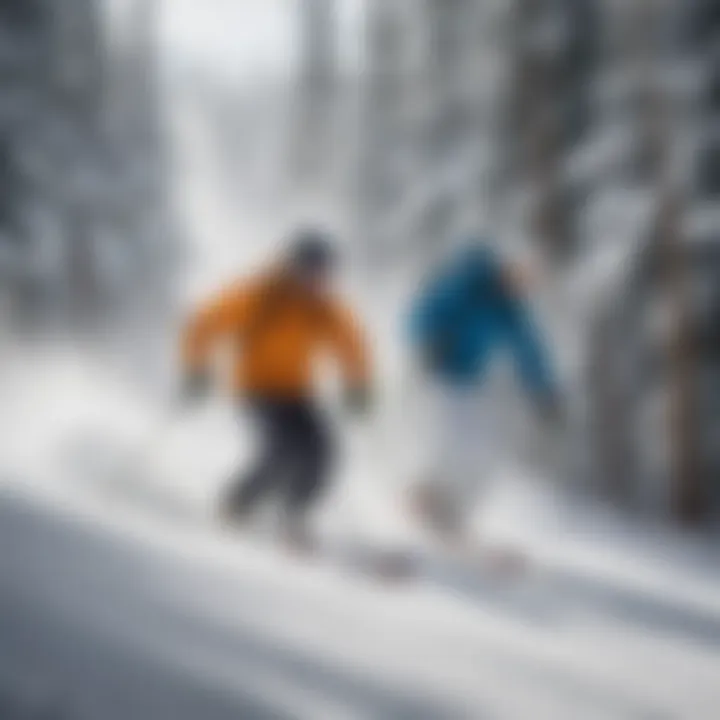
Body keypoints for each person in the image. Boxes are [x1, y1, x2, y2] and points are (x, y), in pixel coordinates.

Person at [180, 229, 372, 552]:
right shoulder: (261, 294)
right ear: (293, 265)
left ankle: (294, 513)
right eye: (311, 269)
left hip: (296, 391)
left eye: (323, 271)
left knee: (322, 451)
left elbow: (350, 343)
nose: (317, 279)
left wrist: (357, 384)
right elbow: (206, 322)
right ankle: (238, 502)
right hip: (255, 389)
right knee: (281, 449)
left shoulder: (322, 307)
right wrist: (197, 368)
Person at [406, 240, 562, 554]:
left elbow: (530, 352)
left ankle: (454, 512)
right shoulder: (468, 285)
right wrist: (427, 343)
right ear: (508, 269)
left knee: (485, 452)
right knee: (452, 439)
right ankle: (427, 495)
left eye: (529, 283)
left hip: (470, 380)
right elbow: (423, 310)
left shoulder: (510, 310)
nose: (523, 286)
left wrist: (543, 392)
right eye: (520, 277)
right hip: (439, 373)